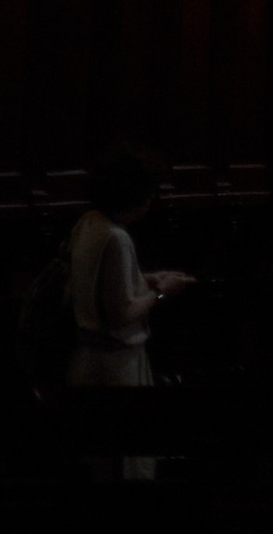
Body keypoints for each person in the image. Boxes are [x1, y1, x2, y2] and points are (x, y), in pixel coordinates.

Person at [66, 140, 192, 473]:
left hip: (86, 361)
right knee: (125, 465)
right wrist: (162, 291)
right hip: (116, 366)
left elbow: (98, 284)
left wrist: (147, 279)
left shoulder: (89, 224)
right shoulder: (117, 238)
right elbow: (120, 311)